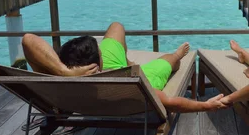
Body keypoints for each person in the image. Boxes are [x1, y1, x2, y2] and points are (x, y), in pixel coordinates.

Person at [21, 22, 227, 113]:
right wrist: (205, 106)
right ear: (97, 64)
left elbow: (28, 39)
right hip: (122, 77)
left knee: (116, 27)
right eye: (99, 53)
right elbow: (171, 102)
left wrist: (65, 73)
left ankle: (126, 61)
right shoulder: (129, 83)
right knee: (169, 62)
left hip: (77, 86)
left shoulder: (55, 76)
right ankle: (176, 54)